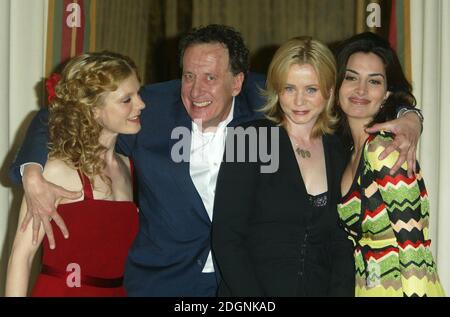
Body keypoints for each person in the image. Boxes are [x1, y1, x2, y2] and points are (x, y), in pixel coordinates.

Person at [9, 24, 423, 297]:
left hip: (238, 287)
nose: (196, 89)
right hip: (161, 283)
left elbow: (342, 95)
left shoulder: (270, 104)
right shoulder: (150, 110)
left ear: (239, 81)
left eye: (210, 77)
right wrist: (30, 172)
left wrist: (409, 116)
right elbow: (59, 113)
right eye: (189, 75)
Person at [212, 37, 354, 296]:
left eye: (311, 89)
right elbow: (227, 239)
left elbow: (341, 246)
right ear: (277, 90)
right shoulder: (250, 139)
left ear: (330, 91)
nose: (299, 101)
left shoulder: (339, 151)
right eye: (289, 88)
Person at [5, 51, 144, 296]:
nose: (141, 104)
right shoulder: (56, 170)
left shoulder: (128, 167)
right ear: (94, 111)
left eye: (138, 94)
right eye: (127, 99)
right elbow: (22, 256)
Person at [335, 32, 445, 297]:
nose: (360, 90)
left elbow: (413, 245)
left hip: (406, 290)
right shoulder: (348, 151)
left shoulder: (385, 149)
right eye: (351, 77)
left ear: (386, 94)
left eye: (373, 81)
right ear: (336, 85)